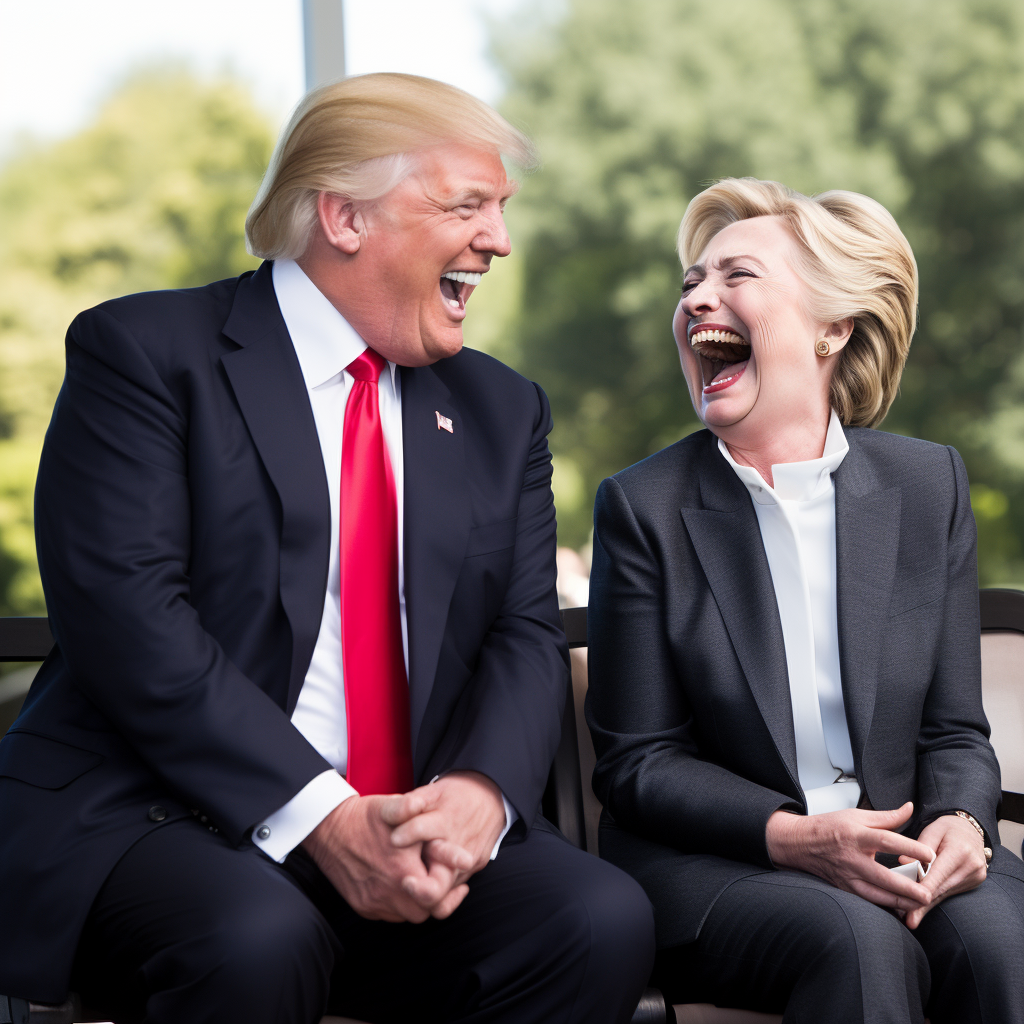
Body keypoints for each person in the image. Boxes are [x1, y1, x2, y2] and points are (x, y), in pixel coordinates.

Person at [0, 73, 654, 1024]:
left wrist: (479, 794)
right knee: (257, 939)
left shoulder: (501, 408)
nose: (499, 240)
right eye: (467, 206)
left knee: (593, 917)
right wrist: (323, 817)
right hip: (165, 814)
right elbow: (131, 622)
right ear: (345, 218)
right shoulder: (144, 353)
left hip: (406, 822)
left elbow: (522, 631)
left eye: (501, 209)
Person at [586, 177, 1024, 1024]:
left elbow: (955, 731)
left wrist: (965, 826)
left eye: (735, 276)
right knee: (860, 940)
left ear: (833, 327)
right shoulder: (641, 506)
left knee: (999, 943)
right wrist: (798, 838)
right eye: (691, 285)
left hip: (903, 847)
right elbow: (638, 761)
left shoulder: (929, 484)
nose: (697, 300)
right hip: (727, 863)